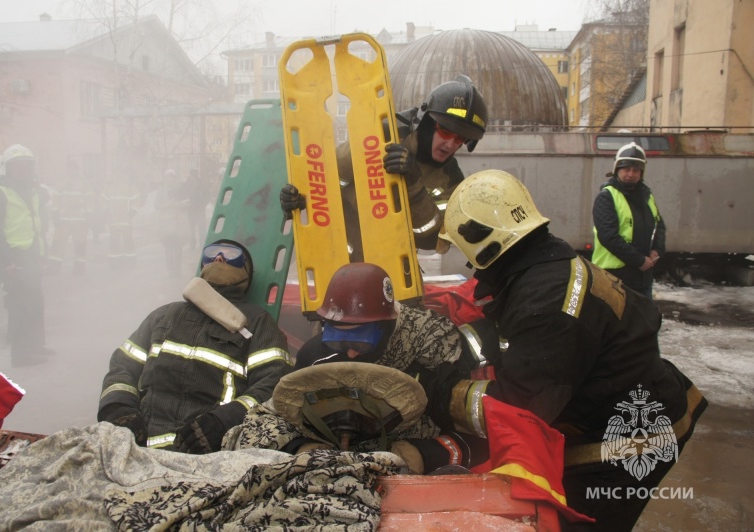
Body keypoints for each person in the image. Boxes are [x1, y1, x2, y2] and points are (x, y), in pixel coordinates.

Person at [438, 169, 707, 531]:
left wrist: (442, 395)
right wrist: (458, 343)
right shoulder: (546, 266)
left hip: (632, 438)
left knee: (575, 520)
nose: (467, 263)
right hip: (632, 398)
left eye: (462, 249)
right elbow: (520, 331)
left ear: (481, 242)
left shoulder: (546, 300)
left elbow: (520, 411)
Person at [224, 262, 490, 474]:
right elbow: (264, 420)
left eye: (361, 342)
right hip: (332, 457)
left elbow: (481, 433)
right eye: (338, 340)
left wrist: (424, 454)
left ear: (387, 325)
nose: (350, 352)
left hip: (409, 455)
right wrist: (300, 447)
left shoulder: (432, 349)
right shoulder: (318, 356)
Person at [97, 240, 292, 453]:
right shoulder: (165, 315)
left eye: (231, 255)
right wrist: (118, 408)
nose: (219, 258)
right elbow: (122, 367)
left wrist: (223, 421)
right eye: (211, 255)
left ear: (246, 275)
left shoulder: (257, 323)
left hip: (207, 453)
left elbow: (273, 383)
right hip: (139, 447)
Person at [280, 75, 488, 260]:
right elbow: (326, 174)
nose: (450, 144)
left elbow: (432, 241)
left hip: (394, 267)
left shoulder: (452, 181)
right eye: (445, 131)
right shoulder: (379, 137)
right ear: (426, 121)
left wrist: (412, 182)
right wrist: (301, 197)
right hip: (338, 258)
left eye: (460, 138)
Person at [0, 145, 54, 366]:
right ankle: (21, 355)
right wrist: (6, 261)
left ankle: (35, 345)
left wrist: (43, 255)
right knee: (19, 306)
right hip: (13, 257)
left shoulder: (32, 190)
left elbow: (36, 225)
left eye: (26, 165)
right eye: (16, 166)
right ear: (8, 168)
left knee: (35, 302)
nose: (22, 170)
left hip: (31, 255)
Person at [592, 142, 665, 299]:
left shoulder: (647, 196)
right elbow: (608, 236)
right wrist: (639, 260)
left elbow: (659, 226)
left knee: (643, 322)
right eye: (626, 169)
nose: (631, 174)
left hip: (642, 277)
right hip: (613, 277)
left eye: (636, 170)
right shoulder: (606, 197)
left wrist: (657, 250)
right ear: (617, 170)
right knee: (615, 323)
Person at [48, 161, 95, 275]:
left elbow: (90, 200)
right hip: (63, 220)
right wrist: (55, 215)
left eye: (73, 169)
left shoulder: (84, 184)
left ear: (76, 170)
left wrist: (89, 216)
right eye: (69, 169)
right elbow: (56, 199)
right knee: (58, 243)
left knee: (80, 244)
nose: (71, 171)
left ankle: (79, 268)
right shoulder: (62, 183)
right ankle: (54, 267)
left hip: (80, 221)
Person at [101, 169, 142, 270]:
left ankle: (122, 264)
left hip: (122, 220)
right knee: (119, 243)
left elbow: (137, 200)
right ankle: (121, 264)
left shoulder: (128, 186)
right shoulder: (114, 186)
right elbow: (103, 200)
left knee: (124, 242)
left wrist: (132, 212)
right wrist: (107, 211)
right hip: (118, 220)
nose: (117, 175)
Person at [154, 169, 190, 277]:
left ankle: (177, 271)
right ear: (165, 179)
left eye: (172, 177)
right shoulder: (161, 191)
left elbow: (187, 204)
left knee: (178, 249)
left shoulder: (180, 190)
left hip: (179, 226)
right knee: (168, 250)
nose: (170, 180)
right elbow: (156, 205)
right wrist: (168, 204)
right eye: (168, 177)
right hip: (166, 226)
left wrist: (181, 205)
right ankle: (170, 272)